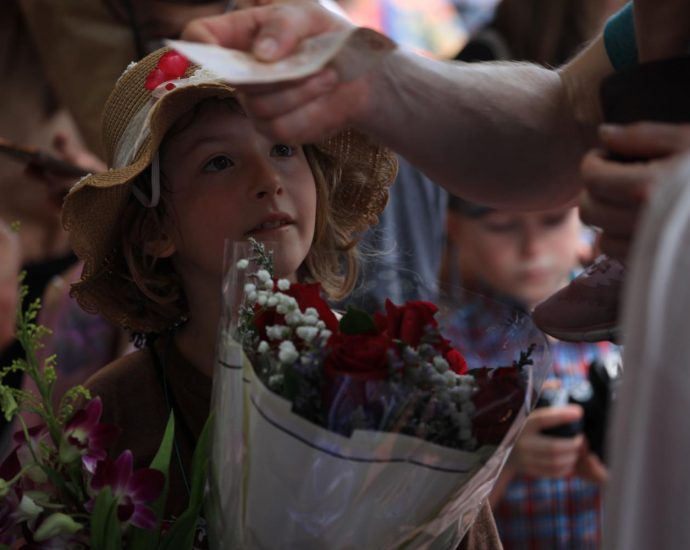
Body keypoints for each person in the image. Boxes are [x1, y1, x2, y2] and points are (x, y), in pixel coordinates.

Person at [61, 47, 501, 547]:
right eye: (219, 162)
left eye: (285, 150)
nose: (269, 181)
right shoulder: (112, 411)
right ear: (155, 227)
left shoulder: (399, 380)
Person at [442, 197, 616, 548]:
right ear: (457, 230)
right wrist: (505, 459)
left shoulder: (625, 328)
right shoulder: (447, 352)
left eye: (552, 221)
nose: (532, 248)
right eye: (502, 226)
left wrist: (618, 471)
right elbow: (430, 529)